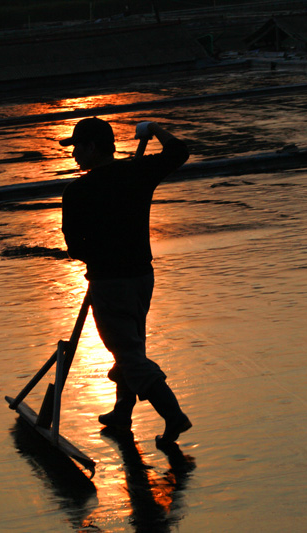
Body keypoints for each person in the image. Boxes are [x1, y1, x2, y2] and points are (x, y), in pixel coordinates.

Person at [59, 117, 192, 446]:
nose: (74, 154)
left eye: (77, 147)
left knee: (129, 354)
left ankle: (173, 414)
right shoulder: (137, 173)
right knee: (130, 346)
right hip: (141, 279)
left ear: (91, 148)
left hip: (109, 284)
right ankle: (122, 411)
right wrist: (155, 129)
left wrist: (98, 250)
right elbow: (179, 151)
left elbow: (76, 248)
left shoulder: (77, 192)